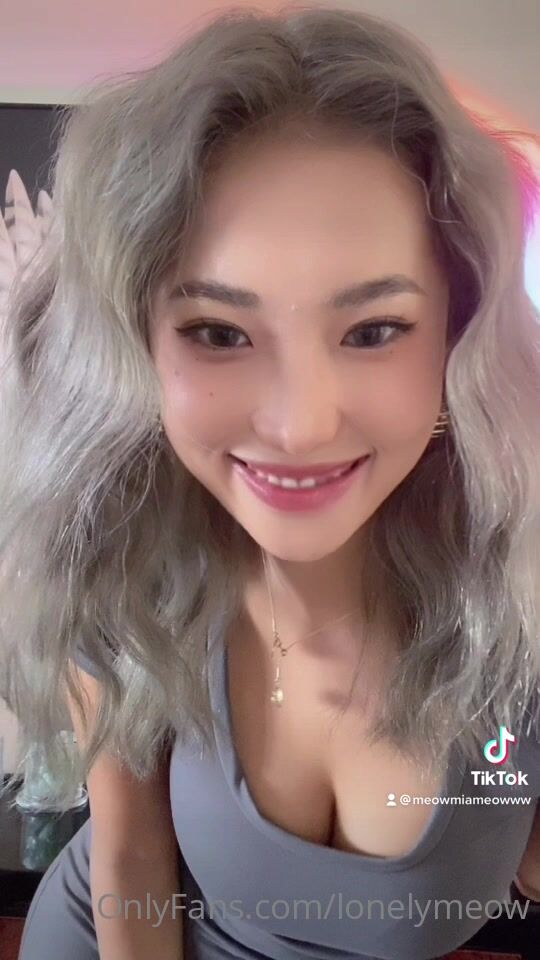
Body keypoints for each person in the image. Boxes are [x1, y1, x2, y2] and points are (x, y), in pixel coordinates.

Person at [1, 5, 540, 959]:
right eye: (218, 331)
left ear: (457, 342)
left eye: (374, 330)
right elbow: (131, 866)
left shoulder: (520, 595)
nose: (300, 427)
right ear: (137, 350)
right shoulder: (130, 571)